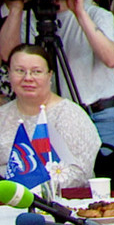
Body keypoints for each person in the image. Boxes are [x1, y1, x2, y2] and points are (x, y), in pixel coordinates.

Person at [0, 0, 114, 156]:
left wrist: (79, 12)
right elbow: (8, 55)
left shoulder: (97, 14)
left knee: (106, 179)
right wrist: (16, 8)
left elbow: (112, 59)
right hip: (58, 115)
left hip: (100, 114)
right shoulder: (32, 18)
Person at [0, 44, 100, 188]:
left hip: (61, 201)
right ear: (9, 73)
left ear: (49, 75)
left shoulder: (69, 115)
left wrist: (28, 184)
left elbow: (79, 174)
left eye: (37, 71)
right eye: (20, 71)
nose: (28, 78)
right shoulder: (2, 115)